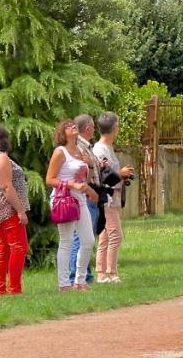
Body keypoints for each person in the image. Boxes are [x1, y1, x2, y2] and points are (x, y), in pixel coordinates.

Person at [45, 119, 97, 291]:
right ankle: (64, 283)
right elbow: (49, 179)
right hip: (64, 199)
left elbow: (84, 179)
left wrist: (89, 167)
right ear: (62, 133)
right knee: (66, 241)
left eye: (74, 124)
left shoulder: (81, 151)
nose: (73, 126)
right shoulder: (60, 152)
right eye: (68, 126)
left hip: (80, 199)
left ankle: (80, 280)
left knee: (88, 240)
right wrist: (72, 186)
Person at [0, 124, 28, 296]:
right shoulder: (0, 157)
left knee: (3, 249)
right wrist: (20, 210)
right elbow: (6, 186)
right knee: (18, 247)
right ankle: (14, 289)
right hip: (8, 209)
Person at [92, 112, 133, 283]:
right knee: (116, 235)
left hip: (113, 197)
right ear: (114, 128)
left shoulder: (107, 148)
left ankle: (101, 273)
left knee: (106, 236)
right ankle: (111, 273)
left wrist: (122, 174)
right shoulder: (100, 149)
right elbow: (104, 175)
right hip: (107, 197)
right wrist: (120, 173)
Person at [68, 114, 102, 285]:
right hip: (85, 194)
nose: (95, 129)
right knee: (80, 238)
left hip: (89, 194)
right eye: (93, 126)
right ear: (87, 128)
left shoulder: (85, 147)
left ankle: (84, 274)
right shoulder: (80, 147)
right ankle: (76, 274)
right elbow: (80, 173)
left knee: (85, 237)